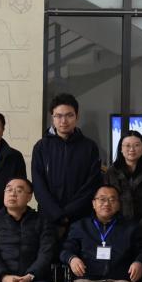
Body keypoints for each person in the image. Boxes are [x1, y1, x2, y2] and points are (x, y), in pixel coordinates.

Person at [32, 93, 102, 237]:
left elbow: (92, 184)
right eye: (58, 116)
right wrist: (56, 213)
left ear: (77, 116)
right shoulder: (41, 147)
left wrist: (68, 212)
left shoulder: (89, 147)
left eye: (69, 115)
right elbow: (39, 185)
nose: (63, 121)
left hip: (80, 217)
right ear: (52, 117)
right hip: (49, 218)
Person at [105, 130, 142, 241]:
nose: (132, 149)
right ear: (121, 149)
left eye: (136, 145)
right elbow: (106, 200)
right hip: (116, 229)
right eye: (127, 145)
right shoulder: (110, 173)